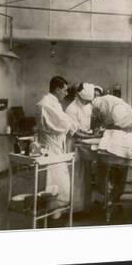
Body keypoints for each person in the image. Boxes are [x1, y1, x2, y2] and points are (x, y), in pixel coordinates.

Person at [35, 76, 80, 218]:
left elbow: (65, 120)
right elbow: (63, 122)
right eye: (65, 90)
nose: (66, 93)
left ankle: (55, 212)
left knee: (59, 180)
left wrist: (72, 125)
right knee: (55, 179)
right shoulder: (46, 104)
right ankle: (52, 215)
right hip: (51, 147)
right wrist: (75, 126)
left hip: (55, 144)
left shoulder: (54, 103)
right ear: (57, 89)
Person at [65, 82, 96, 213]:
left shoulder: (88, 106)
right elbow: (74, 131)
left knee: (86, 175)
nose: (87, 102)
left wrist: (92, 133)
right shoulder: (71, 109)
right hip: (74, 143)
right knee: (76, 174)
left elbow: (89, 123)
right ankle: (73, 207)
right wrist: (87, 136)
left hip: (84, 141)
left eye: (89, 101)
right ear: (79, 96)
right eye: (85, 100)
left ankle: (85, 205)